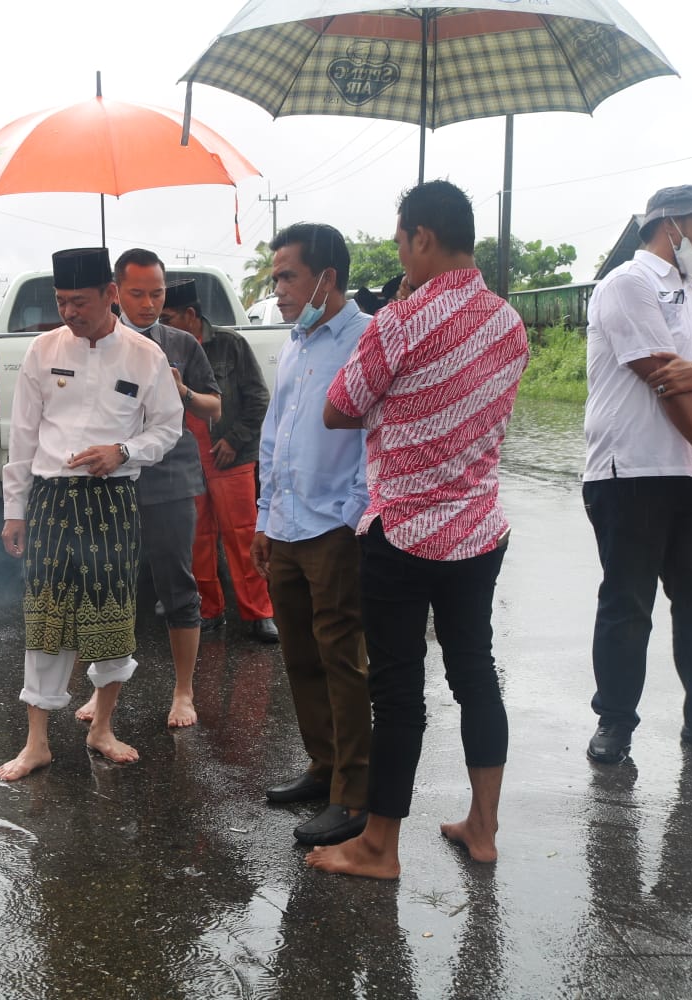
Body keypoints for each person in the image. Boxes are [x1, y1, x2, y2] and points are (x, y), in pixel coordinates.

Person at [316, 181, 529, 880]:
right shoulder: (509, 323)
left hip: (402, 531)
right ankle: (484, 827)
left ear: (423, 239)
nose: (401, 254)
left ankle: (379, 847)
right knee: (475, 674)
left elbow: (340, 407)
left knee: (398, 691)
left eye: (403, 239)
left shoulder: (399, 322)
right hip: (478, 533)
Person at [0, 247, 184, 781]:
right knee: (47, 617)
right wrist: (16, 510)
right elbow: (23, 436)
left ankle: (101, 726)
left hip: (112, 500)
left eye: (79, 301)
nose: (69, 312)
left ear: (110, 295)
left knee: (111, 614)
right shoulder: (41, 349)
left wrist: (122, 452)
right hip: (53, 499)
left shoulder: (144, 356)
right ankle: (37, 743)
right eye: (61, 302)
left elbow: (168, 428)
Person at [580, 184, 692, 767]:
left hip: (691, 473)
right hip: (629, 470)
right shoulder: (628, 283)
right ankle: (615, 725)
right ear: (671, 223)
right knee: (628, 604)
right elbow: (660, 379)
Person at [249, 223, 372, 848]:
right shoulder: (296, 344)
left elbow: (373, 441)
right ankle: (324, 768)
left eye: (287, 275)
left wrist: (353, 517)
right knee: (298, 656)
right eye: (275, 278)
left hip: (333, 529)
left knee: (342, 661)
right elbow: (274, 435)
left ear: (327, 277)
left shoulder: (365, 340)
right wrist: (265, 518)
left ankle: (354, 794)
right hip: (288, 526)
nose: (278, 289)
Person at [70, 248, 219, 728]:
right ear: (115, 292)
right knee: (108, 587)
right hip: (108, 482)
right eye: (137, 293)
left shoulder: (180, 343)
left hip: (170, 480)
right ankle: (102, 689)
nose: (149, 303)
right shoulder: (88, 345)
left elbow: (214, 406)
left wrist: (185, 394)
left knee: (178, 585)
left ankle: (183, 691)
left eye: (157, 293)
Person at [160, 278, 278, 643]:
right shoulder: (158, 349)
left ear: (190, 315)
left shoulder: (231, 345)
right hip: (185, 461)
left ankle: (259, 614)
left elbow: (258, 399)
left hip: (231, 458)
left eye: (167, 317)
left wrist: (234, 439)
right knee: (197, 539)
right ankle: (208, 611)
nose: (160, 326)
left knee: (242, 538)